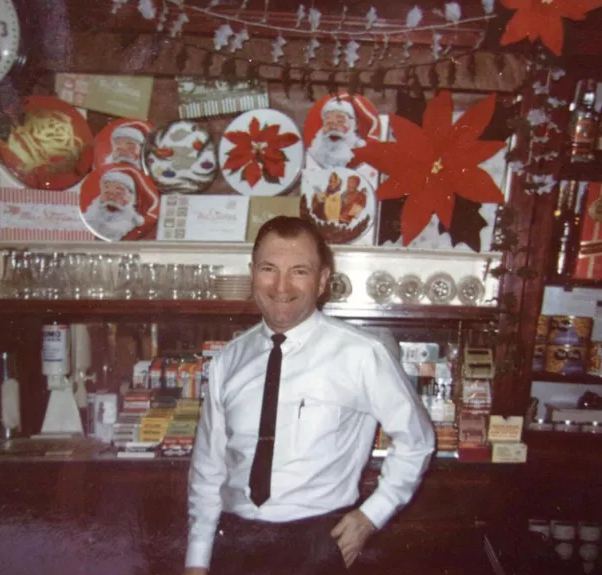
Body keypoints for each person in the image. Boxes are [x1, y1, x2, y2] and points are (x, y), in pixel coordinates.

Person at [184, 216, 436, 575]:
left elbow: (417, 440)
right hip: (235, 543)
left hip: (316, 545)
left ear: (321, 281)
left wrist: (370, 516)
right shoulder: (229, 359)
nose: (281, 286)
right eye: (269, 268)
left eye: (299, 270)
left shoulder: (361, 354)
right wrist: (197, 559)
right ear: (252, 273)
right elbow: (208, 468)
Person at [82, 170, 144, 241]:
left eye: (118, 193)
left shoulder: (131, 219)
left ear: (131, 196)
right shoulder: (93, 213)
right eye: (107, 192)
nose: (111, 197)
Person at [307, 98, 367, 169]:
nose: (333, 126)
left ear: (353, 125)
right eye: (329, 122)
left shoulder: (360, 149)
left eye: (340, 121)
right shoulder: (315, 149)